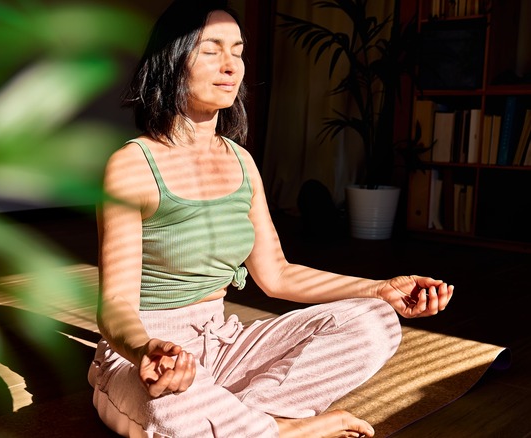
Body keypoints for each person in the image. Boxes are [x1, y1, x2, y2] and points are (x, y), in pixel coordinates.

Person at [87, 1, 453, 437]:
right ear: (172, 60)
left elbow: (276, 275)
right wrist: (145, 349)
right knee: (171, 411)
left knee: (376, 322)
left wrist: (380, 289)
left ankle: (249, 423)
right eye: (211, 50)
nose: (230, 66)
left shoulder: (241, 161)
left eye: (237, 52)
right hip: (151, 356)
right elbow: (116, 305)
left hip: (223, 343)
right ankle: (276, 428)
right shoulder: (132, 166)